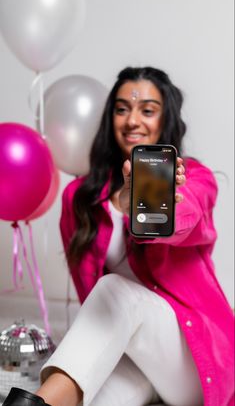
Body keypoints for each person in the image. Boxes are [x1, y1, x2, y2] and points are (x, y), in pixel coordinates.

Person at [3, 67, 234, 406]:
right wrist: (121, 200)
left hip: (190, 358)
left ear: (165, 118)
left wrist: (149, 204)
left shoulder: (194, 179)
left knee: (113, 289)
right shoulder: (79, 197)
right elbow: (90, 300)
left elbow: (186, 218)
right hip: (132, 352)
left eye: (148, 110)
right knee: (93, 397)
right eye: (122, 108)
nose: (132, 120)